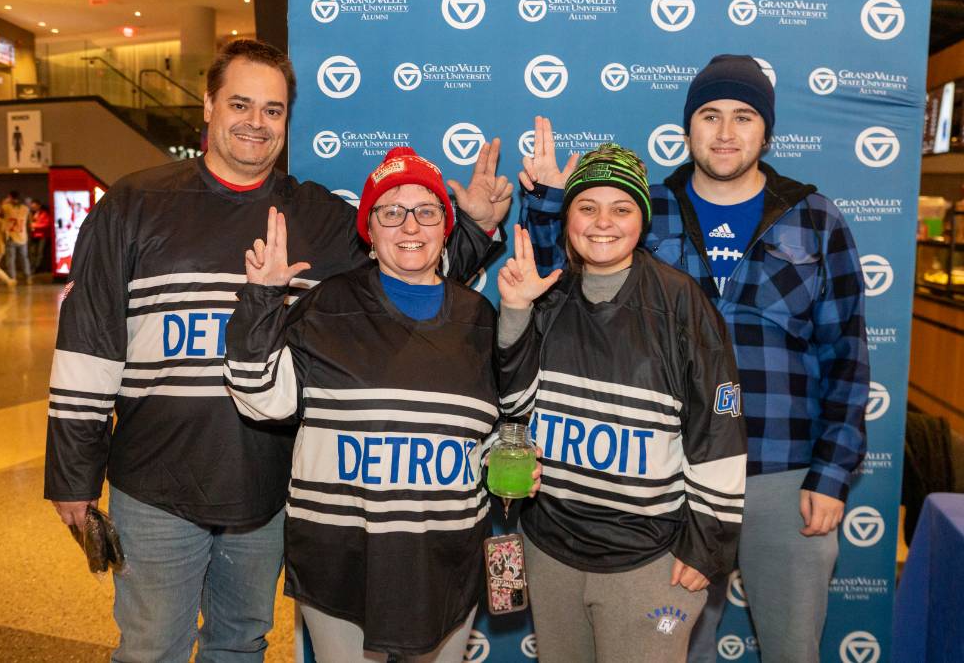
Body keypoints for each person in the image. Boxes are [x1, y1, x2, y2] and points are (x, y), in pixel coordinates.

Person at [43, 39, 512, 663]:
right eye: (241, 104)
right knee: (151, 645)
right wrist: (74, 475)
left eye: (274, 110)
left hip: (268, 485)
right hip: (155, 480)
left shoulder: (317, 215)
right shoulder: (132, 204)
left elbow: (406, 272)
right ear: (208, 106)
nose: (256, 123)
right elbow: (89, 348)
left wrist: (474, 226)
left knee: (240, 643)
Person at [521, 54, 869, 663]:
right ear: (689, 127)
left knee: (793, 650)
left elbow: (846, 355)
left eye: (743, 117)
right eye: (710, 115)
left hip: (780, 478)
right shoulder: (642, 208)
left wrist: (832, 473)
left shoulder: (814, 219)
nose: (726, 132)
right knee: (676, 649)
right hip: (668, 480)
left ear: (766, 130)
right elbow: (556, 287)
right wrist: (553, 202)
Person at [224, 147, 539, 662]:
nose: (409, 225)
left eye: (426, 210)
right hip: (341, 557)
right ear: (369, 232)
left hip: (444, 557)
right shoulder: (326, 306)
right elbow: (261, 399)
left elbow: (507, 416)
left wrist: (507, 465)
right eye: (391, 211)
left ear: (444, 228)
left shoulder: (479, 317)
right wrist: (261, 298)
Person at [498, 142, 747, 663]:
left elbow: (718, 432)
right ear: (568, 219)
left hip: (650, 562)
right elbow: (515, 406)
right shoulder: (549, 294)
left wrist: (707, 545)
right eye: (586, 207)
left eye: (622, 208)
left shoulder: (681, 302)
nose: (602, 222)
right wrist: (517, 314)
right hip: (552, 549)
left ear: (643, 219)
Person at [1, 190, 31, 283]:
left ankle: (13, 278)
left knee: (10, 259)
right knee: (24, 258)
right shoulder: (25, 208)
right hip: (23, 236)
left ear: (10, 197)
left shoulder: (6, 207)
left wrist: (5, 201)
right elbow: (30, 222)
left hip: (11, 236)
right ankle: (28, 277)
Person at [28, 199, 51, 273]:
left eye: (34, 206)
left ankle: (36, 268)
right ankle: (32, 267)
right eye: (32, 207)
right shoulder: (31, 214)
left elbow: (46, 224)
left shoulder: (44, 213)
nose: (33, 208)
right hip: (33, 236)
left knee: (39, 253)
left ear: (39, 206)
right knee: (32, 252)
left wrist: (34, 225)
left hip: (42, 236)